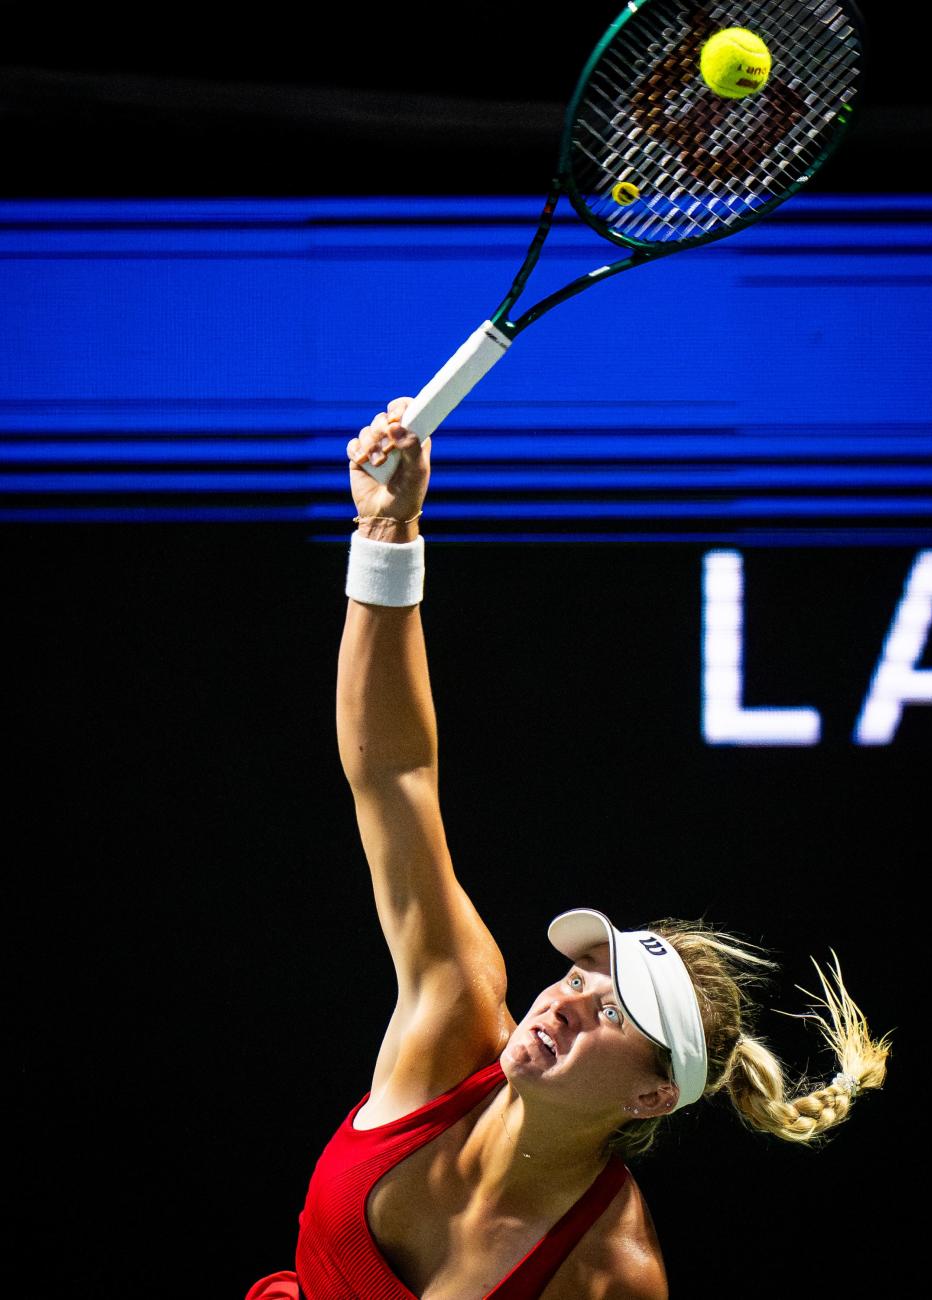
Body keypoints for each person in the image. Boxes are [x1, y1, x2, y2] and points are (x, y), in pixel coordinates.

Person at [246, 399, 891, 1300]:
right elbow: (394, 774)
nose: (569, 1000)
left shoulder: (611, 1276)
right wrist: (386, 529)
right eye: (588, 978)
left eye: (618, 1015)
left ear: (652, 1099)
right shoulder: (455, 1012)